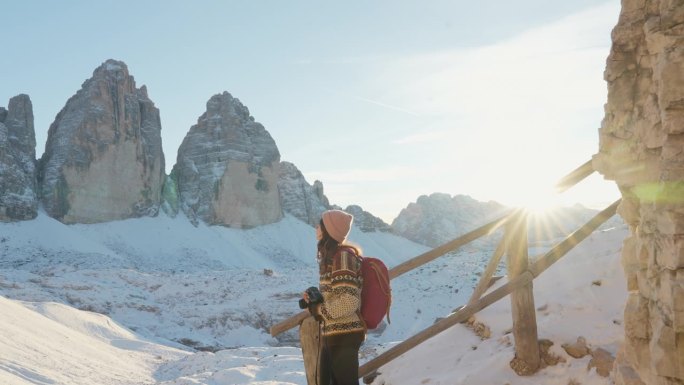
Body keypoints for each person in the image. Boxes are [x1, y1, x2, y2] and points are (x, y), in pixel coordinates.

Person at [302, 209, 366, 385]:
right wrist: (315, 299)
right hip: (335, 334)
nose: (316, 227)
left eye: (319, 224)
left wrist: (318, 309)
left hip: (345, 336)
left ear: (328, 230)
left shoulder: (342, 257)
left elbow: (349, 300)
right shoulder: (332, 257)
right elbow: (337, 295)